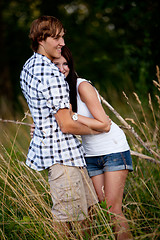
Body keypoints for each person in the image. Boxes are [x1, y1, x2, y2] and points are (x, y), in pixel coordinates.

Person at [20, 15, 111, 237]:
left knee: (86, 216)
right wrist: (99, 128)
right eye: (57, 37)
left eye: (63, 37)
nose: (62, 42)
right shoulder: (50, 72)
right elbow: (67, 124)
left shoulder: (29, 66)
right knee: (67, 219)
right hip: (64, 159)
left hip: (68, 155)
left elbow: (44, 115)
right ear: (41, 39)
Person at [51, 45, 134, 239]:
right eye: (56, 64)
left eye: (66, 64)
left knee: (114, 210)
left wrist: (73, 116)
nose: (62, 68)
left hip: (113, 150)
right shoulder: (58, 91)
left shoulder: (82, 86)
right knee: (100, 207)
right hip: (91, 155)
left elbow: (104, 124)